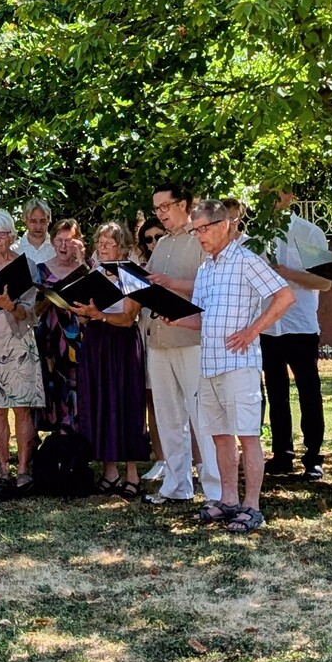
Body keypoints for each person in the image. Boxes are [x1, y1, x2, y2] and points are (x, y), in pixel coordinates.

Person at [169, 201, 293, 533]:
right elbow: (203, 318)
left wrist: (253, 330)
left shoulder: (246, 260)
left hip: (239, 364)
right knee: (220, 436)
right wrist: (177, 319)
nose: (199, 236)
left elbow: (284, 296)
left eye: (204, 229)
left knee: (247, 435)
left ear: (224, 225)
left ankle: (252, 506)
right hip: (209, 364)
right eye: (195, 231)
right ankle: (228, 500)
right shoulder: (205, 269)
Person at [141, 184, 222, 506]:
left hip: (192, 339)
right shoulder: (161, 244)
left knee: (202, 416)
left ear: (184, 204)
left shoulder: (200, 238)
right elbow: (149, 283)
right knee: (168, 416)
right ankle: (176, 485)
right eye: (156, 208)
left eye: (166, 206)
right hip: (159, 338)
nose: (160, 213)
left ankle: (216, 491)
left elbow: (214, 283)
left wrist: (171, 283)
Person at [70, 224, 149, 498]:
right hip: (96, 341)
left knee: (125, 402)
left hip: (121, 343)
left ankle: (132, 474)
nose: (102, 247)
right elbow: (86, 317)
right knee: (100, 402)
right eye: (100, 242)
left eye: (109, 242)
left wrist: (100, 315)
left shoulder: (132, 274)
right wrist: (81, 312)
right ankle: (109, 471)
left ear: (122, 247)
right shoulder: (94, 274)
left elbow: (128, 318)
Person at [262, 189, 332, 480]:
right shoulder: (258, 235)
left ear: (290, 195)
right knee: (276, 392)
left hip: (300, 325)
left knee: (308, 391)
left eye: (274, 192)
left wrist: (286, 273)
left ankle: (313, 456)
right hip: (268, 325)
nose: (269, 198)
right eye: (264, 193)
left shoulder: (308, 232)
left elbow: (325, 282)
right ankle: (282, 455)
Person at [0, 211, 44, 490]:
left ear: (12, 235)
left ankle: (23, 469)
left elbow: (31, 312)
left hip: (18, 342)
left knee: (21, 409)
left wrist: (9, 305)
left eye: (2, 233)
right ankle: (2, 469)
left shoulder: (27, 266)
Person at [37, 219, 87, 431]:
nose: (64, 246)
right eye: (59, 240)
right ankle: (59, 438)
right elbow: (34, 310)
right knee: (55, 385)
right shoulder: (41, 270)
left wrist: (83, 261)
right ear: (52, 242)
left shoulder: (88, 267)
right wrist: (50, 296)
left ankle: (83, 437)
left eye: (69, 240)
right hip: (51, 338)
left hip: (80, 337)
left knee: (81, 384)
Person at [135, 218, 169, 482]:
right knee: (152, 401)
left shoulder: (175, 265)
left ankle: (195, 459)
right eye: (148, 239)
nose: (154, 243)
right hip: (146, 335)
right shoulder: (140, 270)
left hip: (175, 336)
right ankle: (160, 458)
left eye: (159, 236)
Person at [10, 200, 57, 267]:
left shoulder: (57, 249)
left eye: (42, 221)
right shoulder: (14, 250)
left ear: (49, 221)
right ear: (25, 221)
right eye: (33, 221)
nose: (38, 226)